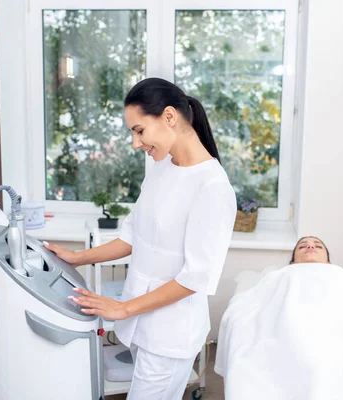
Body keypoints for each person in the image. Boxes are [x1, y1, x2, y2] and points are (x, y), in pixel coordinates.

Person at [43, 77, 237, 399]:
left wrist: (123, 308)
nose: (136, 143)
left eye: (139, 130)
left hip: (170, 334)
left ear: (169, 117)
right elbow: (133, 237)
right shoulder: (161, 167)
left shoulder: (212, 188)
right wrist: (78, 257)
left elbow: (195, 278)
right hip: (142, 323)